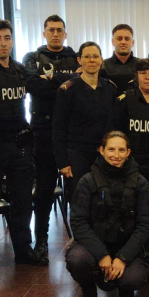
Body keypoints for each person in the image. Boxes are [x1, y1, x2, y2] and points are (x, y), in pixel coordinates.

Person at [0, 19, 47, 278]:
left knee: (22, 202)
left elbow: (41, 87)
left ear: (13, 40)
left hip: (20, 144)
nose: (3, 43)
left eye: (7, 38)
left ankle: (23, 250)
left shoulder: (19, 70)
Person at [66, 131, 149, 297]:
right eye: (111, 149)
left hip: (126, 246)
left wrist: (123, 258)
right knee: (77, 260)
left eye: (121, 150)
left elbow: (145, 225)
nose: (116, 155)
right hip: (94, 245)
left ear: (128, 152)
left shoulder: (140, 183)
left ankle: (124, 287)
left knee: (134, 278)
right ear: (102, 150)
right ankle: (89, 293)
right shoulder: (87, 181)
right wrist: (102, 255)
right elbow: (78, 222)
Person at [23, 15, 79, 261]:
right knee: (44, 191)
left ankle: (81, 241)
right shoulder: (32, 58)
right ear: (44, 32)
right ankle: (42, 241)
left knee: (77, 191)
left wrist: (50, 78)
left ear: (65, 34)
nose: (55, 34)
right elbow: (32, 85)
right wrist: (66, 82)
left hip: (71, 134)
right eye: (51, 30)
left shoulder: (76, 56)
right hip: (42, 133)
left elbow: (82, 82)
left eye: (59, 30)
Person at [53, 41, 119, 199]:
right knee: (79, 200)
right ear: (79, 60)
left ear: (101, 60)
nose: (91, 60)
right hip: (77, 154)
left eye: (95, 56)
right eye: (87, 57)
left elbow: (114, 124)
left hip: (103, 154)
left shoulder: (110, 88)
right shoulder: (67, 89)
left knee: (105, 201)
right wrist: (62, 162)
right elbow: (58, 128)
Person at [108, 59, 149, 183]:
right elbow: (113, 132)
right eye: (143, 73)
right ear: (136, 76)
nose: (147, 77)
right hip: (130, 164)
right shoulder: (124, 101)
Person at [102, 23, 137, 88]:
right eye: (119, 38)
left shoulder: (141, 66)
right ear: (113, 42)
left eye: (127, 39)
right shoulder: (102, 66)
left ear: (133, 42)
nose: (123, 42)